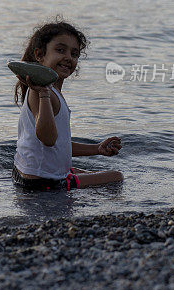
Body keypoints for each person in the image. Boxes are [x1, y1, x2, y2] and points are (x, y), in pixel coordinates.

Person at [12, 20, 123, 191]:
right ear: (40, 55)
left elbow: (58, 145)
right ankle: (67, 183)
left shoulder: (51, 91)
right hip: (43, 183)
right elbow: (48, 139)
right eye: (60, 50)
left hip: (26, 175)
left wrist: (97, 149)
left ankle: (69, 178)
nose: (68, 58)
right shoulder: (42, 92)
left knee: (83, 171)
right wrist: (43, 94)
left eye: (74, 53)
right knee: (116, 176)